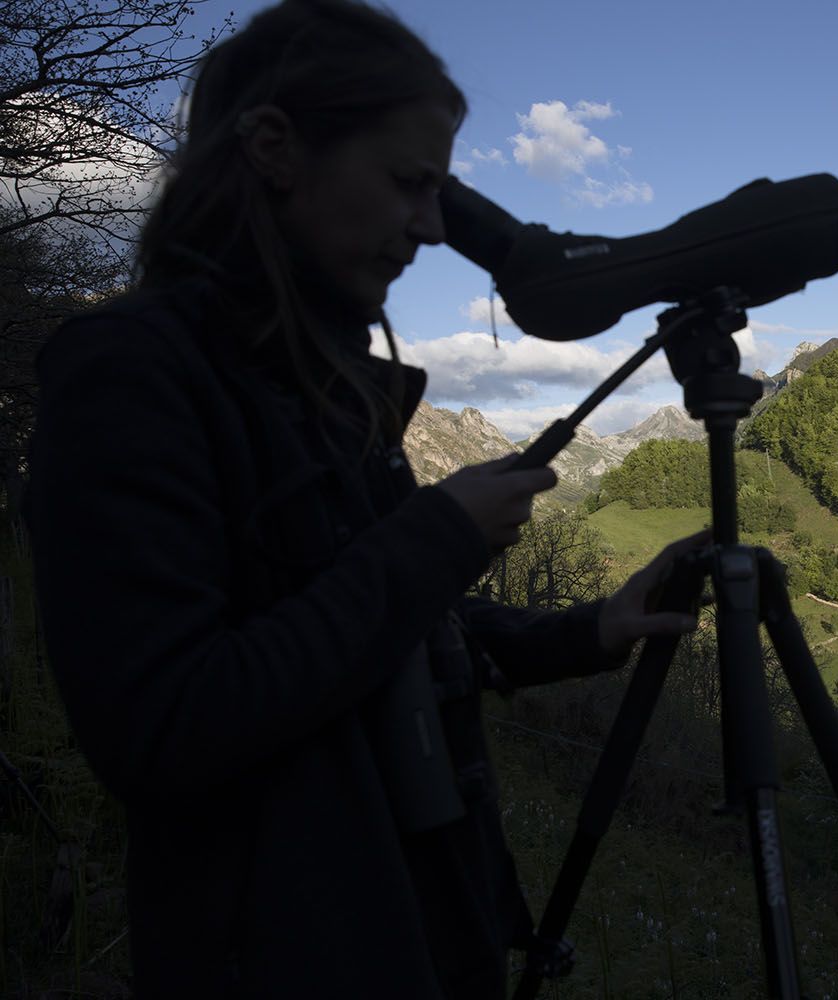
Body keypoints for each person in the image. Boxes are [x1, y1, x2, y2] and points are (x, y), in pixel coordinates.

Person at [23, 1, 703, 996]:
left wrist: (590, 631)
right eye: (408, 184)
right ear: (273, 147)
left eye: (442, 194)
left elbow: (379, 636)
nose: (431, 229)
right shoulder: (130, 374)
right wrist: (438, 535)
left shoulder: (320, 384)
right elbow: (163, 722)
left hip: (423, 926)